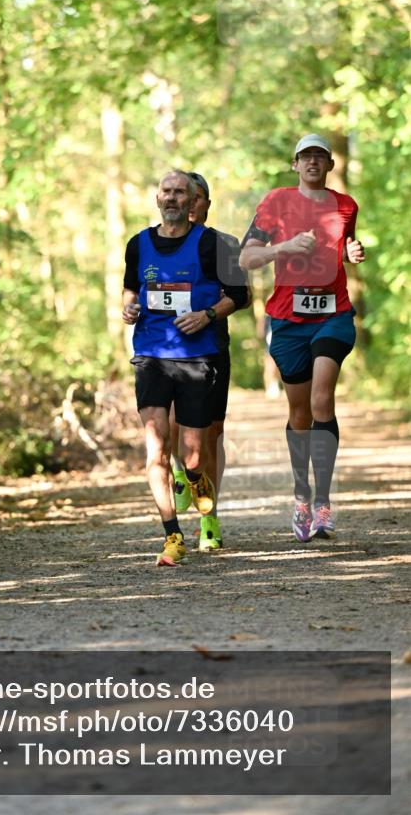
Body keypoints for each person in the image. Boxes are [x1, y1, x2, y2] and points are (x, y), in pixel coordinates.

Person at [239, 133, 365, 541]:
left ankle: (324, 503)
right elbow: (246, 257)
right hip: (288, 319)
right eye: (305, 156)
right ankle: (302, 498)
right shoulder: (276, 202)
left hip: (334, 313)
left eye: (320, 156)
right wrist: (285, 247)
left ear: (329, 165)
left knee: (321, 397)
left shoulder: (345, 205)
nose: (313, 162)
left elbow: (340, 246)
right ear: (295, 164)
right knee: (299, 415)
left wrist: (351, 251)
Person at [122, 170, 249, 566]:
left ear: (194, 201)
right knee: (157, 450)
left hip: (198, 358)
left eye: (180, 192)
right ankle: (172, 535)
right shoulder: (138, 244)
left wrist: (207, 314)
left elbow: (240, 295)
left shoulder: (214, 245)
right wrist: (128, 307)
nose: (172, 198)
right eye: (166, 191)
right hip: (151, 355)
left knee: (193, 454)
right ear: (157, 198)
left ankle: (194, 480)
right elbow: (130, 287)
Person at [169, 173, 251, 552]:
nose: (190, 203)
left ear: (204, 203)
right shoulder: (159, 242)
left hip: (212, 349)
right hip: (165, 349)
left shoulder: (223, 244)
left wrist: (209, 313)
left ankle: (209, 518)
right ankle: (182, 472)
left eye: (197, 197)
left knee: (211, 435)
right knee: (169, 425)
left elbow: (242, 296)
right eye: (184, 195)